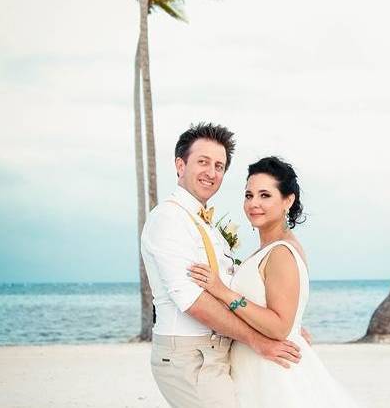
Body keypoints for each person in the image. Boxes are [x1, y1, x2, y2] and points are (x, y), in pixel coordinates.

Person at [141, 124, 301, 408]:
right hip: (190, 355)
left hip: (215, 353)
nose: (212, 173)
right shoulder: (168, 220)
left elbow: (232, 288)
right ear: (180, 165)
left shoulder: (206, 225)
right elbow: (193, 301)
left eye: (220, 165)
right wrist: (257, 340)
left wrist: (289, 324)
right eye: (203, 162)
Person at [188, 156, 359, 408]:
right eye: (249, 195)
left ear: (287, 200)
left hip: (270, 371)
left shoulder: (281, 252)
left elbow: (279, 327)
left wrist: (223, 292)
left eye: (265, 195)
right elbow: (281, 311)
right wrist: (294, 327)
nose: (254, 204)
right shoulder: (271, 248)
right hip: (255, 366)